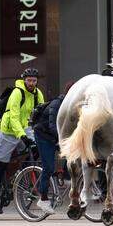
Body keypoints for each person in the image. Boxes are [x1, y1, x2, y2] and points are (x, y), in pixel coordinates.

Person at [0, 68, 44, 214]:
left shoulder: (38, 94)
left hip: (25, 128)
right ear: (24, 80)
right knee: (2, 164)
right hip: (8, 130)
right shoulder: (17, 93)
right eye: (29, 80)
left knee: (36, 149)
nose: (31, 83)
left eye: (34, 80)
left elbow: (41, 115)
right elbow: (13, 117)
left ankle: (20, 173)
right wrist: (22, 136)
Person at [32, 83, 73, 214]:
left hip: (55, 137)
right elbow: (52, 126)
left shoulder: (72, 106)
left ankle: (66, 177)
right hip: (43, 135)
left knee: (74, 153)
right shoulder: (57, 104)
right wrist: (63, 140)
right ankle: (43, 199)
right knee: (48, 167)